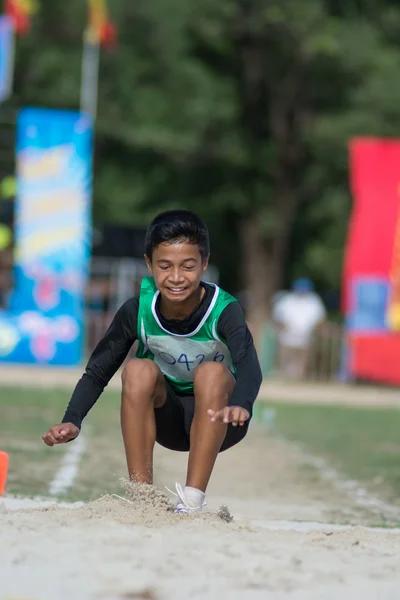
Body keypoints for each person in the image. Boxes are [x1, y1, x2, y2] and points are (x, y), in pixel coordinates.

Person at [42, 210, 262, 514]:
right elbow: (98, 371)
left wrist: (242, 403)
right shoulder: (137, 310)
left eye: (187, 267)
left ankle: (192, 500)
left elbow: (250, 364)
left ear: (204, 264)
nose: (175, 278)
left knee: (211, 372)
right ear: (149, 264)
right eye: (165, 266)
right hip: (164, 421)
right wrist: (72, 418)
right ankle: (142, 499)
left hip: (221, 419)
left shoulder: (224, 309)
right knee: (136, 369)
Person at [273, 278, 326, 380]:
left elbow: (320, 319)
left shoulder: (314, 301)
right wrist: (283, 327)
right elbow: (278, 317)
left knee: (302, 365)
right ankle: (282, 381)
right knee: (284, 363)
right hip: (287, 338)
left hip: (305, 339)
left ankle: (299, 383)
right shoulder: (287, 300)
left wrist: (314, 329)